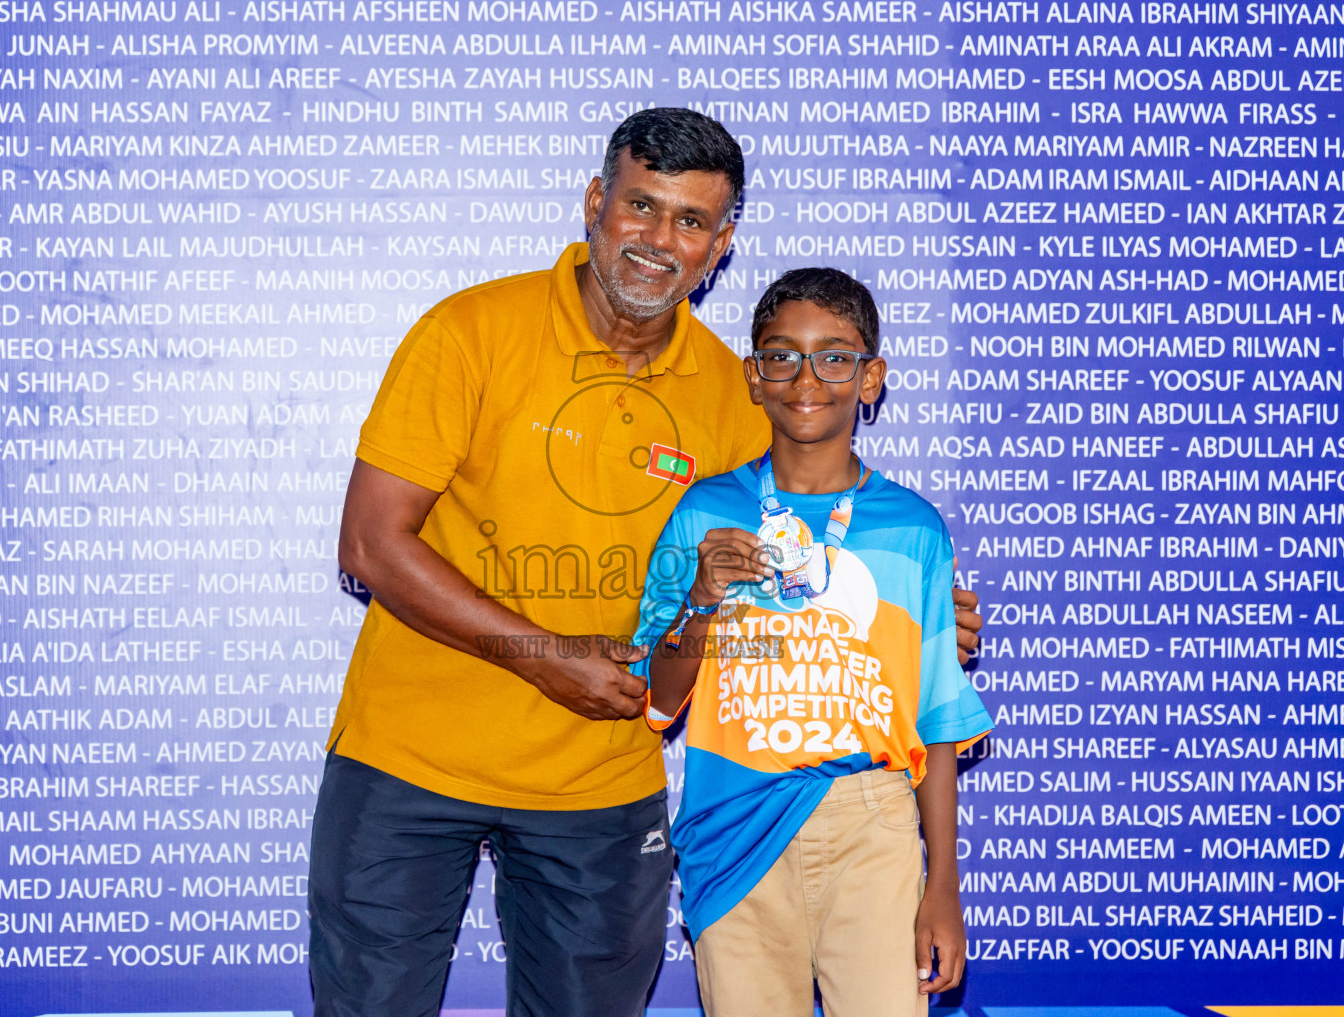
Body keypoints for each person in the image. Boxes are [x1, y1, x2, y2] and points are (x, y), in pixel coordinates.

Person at [310, 109, 984, 1017]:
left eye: (692, 221)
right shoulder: (470, 330)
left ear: (722, 243)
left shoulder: (740, 392)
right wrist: (546, 658)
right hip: (409, 765)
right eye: (641, 207)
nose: (659, 241)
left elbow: (796, 561)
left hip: (605, 781)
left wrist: (917, 615)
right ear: (597, 203)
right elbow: (369, 545)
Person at [635, 268, 994, 1017]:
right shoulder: (704, 512)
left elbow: (936, 720)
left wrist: (944, 888)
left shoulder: (913, 529)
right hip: (733, 824)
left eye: (835, 357)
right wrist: (700, 604)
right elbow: (656, 699)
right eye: (781, 356)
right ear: (753, 376)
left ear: (871, 379)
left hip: (872, 821)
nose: (806, 378)